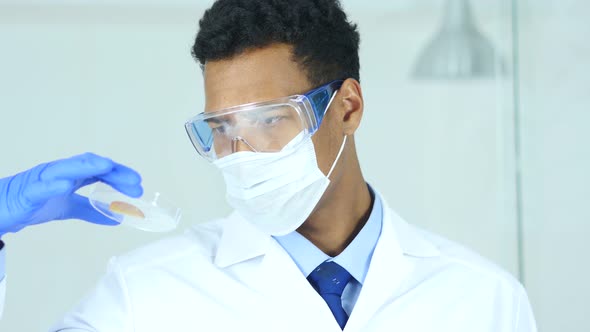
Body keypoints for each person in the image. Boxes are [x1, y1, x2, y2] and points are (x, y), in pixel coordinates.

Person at [0, 0, 537, 331]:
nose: (240, 154)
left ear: (347, 108)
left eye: (269, 120)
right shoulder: (145, 294)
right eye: (221, 128)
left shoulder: (481, 299)